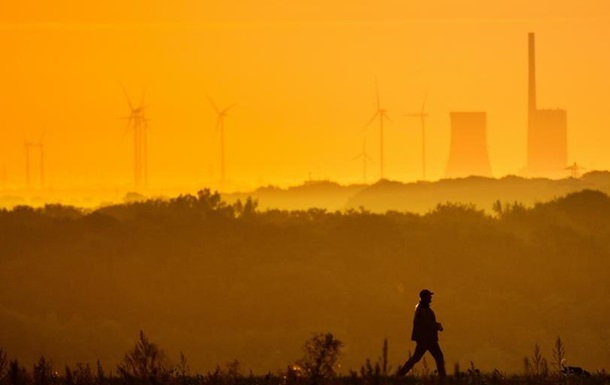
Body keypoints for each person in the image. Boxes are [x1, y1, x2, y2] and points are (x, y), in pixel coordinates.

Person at [397, 289, 446, 379]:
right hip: (426, 339)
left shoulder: (423, 308)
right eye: (429, 296)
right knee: (437, 356)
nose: (431, 297)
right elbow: (426, 323)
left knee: (418, 358)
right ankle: (442, 378)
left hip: (427, 339)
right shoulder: (422, 310)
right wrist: (437, 326)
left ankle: (400, 374)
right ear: (424, 297)